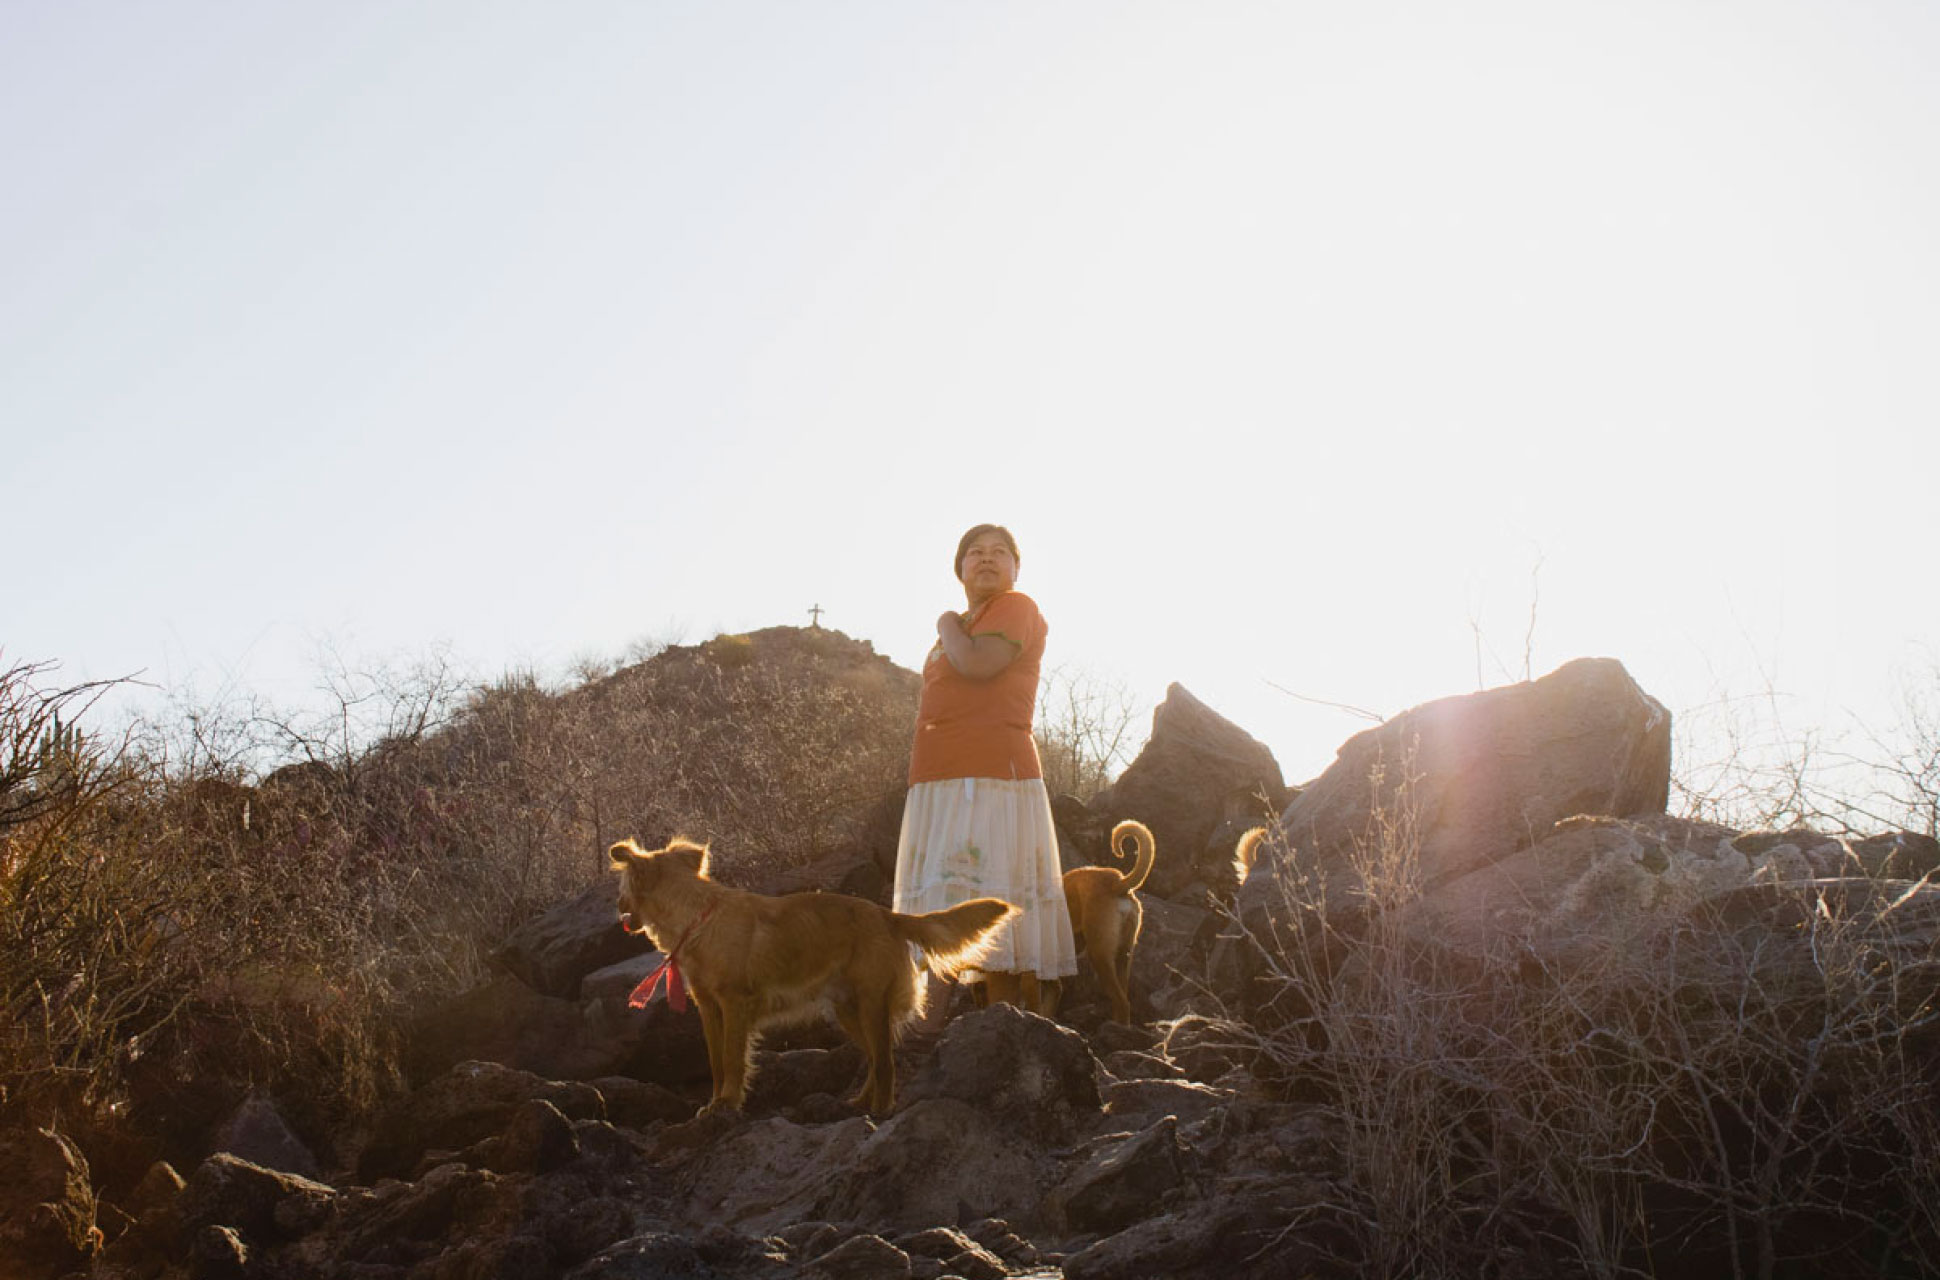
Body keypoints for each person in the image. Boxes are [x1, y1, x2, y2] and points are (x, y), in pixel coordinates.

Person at [892, 523, 1078, 1023]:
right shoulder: (967, 621)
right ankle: (933, 1029)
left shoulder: (1015, 608)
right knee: (941, 900)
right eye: (975, 552)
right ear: (960, 568)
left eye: (1000, 552)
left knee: (990, 894)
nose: (987, 559)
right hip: (936, 776)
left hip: (992, 774)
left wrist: (945, 621)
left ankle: (1001, 1027)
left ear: (1017, 568)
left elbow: (978, 665)